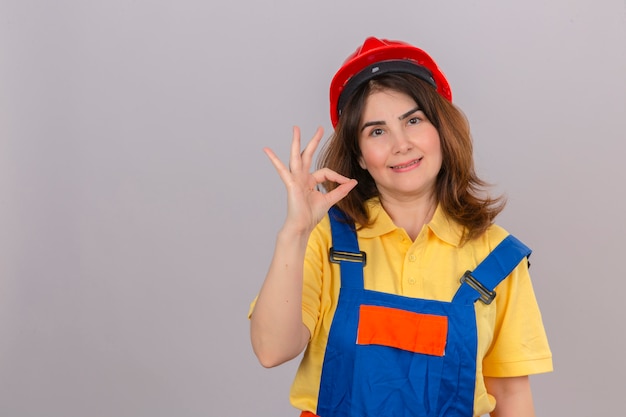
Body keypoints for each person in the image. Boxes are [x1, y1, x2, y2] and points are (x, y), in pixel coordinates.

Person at [249, 36, 552, 417]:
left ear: (441, 130)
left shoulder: (497, 255)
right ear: (359, 155)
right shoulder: (323, 239)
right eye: (377, 131)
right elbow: (271, 350)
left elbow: (510, 398)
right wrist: (294, 233)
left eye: (413, 121)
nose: (401, 144)